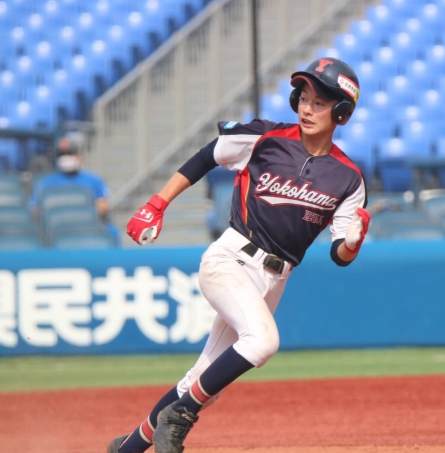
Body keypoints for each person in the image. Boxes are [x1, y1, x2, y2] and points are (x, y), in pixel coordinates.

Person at [109, 57, 370, 453]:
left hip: (275, 279)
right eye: (303, 98)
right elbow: (207, 156)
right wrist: (157, 203)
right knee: (262, 341)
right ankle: (180, 417)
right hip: (230, 259)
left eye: (319, 102)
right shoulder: (267, 138)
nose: (306, 108)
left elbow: (339, 255)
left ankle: (126, 449)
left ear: (342, 112)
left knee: (201, 381)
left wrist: (351, 243)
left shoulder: (348, 177)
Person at [29, 134, 120, 243]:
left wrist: (81, 214)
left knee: (112, 231)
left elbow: (104, 205)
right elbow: (34, 208)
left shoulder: (94, 180)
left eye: (70, 154)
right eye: (62, 155)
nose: (66, 158)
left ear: (79, 156)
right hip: (55, 230)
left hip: (87, 227)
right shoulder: (45, 183)